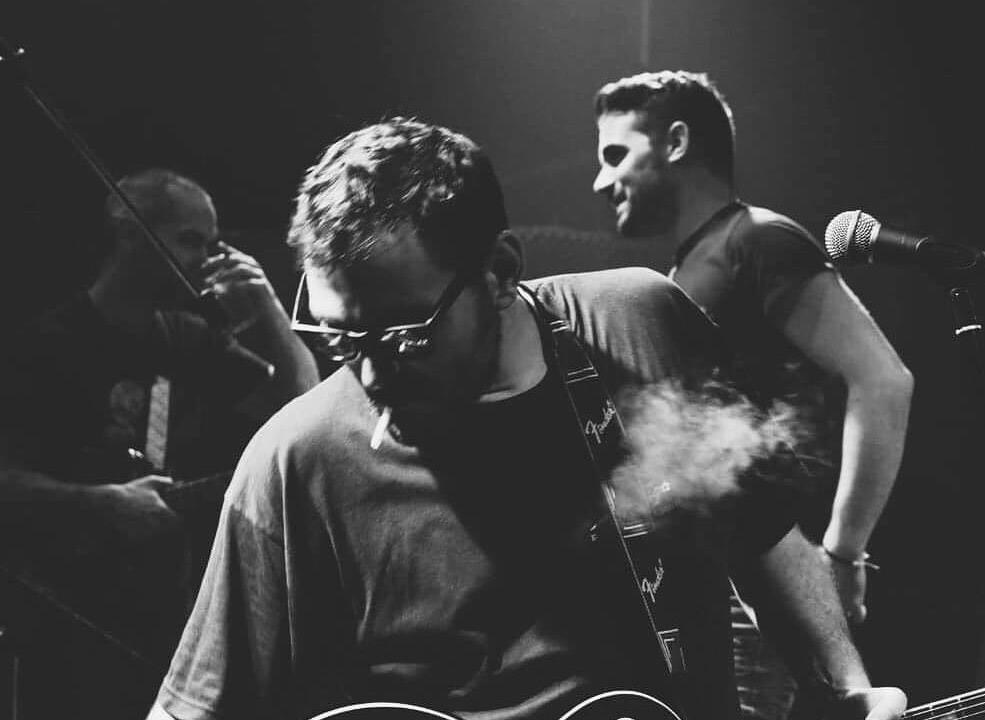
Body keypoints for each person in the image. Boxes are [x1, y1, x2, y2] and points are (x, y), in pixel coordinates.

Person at [146, 117, 905, 720]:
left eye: (406, 334)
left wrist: (849, 691)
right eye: (341, 337)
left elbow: (766, 535)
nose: (370, 373)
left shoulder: (642, 326)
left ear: (502, 271)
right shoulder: (293, 461)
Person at [591, 71, 914, 720]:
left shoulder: (757, 240)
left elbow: (883, 381)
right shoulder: (684, 272)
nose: (601, 182)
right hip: (725, 586)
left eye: (615, 154)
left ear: (676, 142)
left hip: (768, 588)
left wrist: (844, 552)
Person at [0, 169, 320, 718]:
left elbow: (305, 409)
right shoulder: (43, 345)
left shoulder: (185, 337)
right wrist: (102, 504)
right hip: (62, 617)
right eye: (190, 240)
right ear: (129, 230)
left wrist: (267, 308)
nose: (205, 261)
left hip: (162, 612)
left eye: (213, 245)